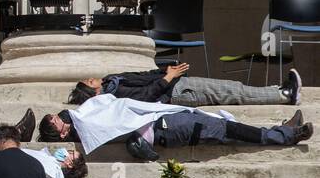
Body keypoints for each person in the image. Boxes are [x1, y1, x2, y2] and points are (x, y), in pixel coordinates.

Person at [40, 108, 312, 160]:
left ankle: (283, 131)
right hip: (165, 128)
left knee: (227, 129)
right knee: (228, 129)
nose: (63, 115)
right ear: (61, 135)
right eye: (57, 120)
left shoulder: (86, 118)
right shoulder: (85, 125)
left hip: (164, 122)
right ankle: (287, 134)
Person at [68, 63, 301, 107]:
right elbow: (146, 96)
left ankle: (277, 91)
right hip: (178, 92)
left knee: (233, 88)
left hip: (177, 83)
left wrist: (165, 70)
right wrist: (167, 78)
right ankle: (285, 95)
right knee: (233, 92)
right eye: (89, 81)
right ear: (93, 91)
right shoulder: (114, 94)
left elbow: (143, 75)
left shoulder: (112, 80)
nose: (92, 77)